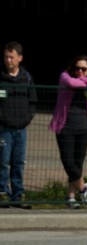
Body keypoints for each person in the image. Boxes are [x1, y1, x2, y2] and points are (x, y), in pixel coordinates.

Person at [48, 54, 87, 209]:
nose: (80, 71)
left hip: (84, 127)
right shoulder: (65, 76)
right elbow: (71, 83)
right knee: (68, 161)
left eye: (84, 69)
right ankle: (84, 188)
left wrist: (85, 80)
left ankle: (71, 197)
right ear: (72, 68)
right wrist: (86, 81)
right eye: (77, 68)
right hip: (65, 126)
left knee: (77, 163)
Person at [0, 41, 37, 209]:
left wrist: (27, 118)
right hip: (4, 129)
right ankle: (3, 193)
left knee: (18, 161)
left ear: (19, 58)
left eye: (11, 57)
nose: (8, 60)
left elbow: (33, 101)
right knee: (3, 161)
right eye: (6, 57)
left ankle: (18, 194)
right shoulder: (1, 77)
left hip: (21, 128)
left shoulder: (27, 78)